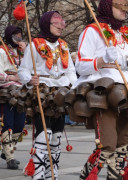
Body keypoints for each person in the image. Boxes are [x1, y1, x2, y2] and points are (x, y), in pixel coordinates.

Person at [72, 0, 128, 179]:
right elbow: (80, 65)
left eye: (126, 6)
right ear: (107, 6)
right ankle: (88, 174)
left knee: (123, 142)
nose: (124, 10)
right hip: (104, 92)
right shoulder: (91, 31)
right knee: (108, 143)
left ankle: (115, 176)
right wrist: (101, 60)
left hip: (126, 89)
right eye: (118, 6)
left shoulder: (124, 33)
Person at [18, 11, 77, 179]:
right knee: (45, 135)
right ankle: (38, 173)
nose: (60, 26)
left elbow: (71, 70)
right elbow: (23, 70)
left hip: (61, 92)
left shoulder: (64, 45)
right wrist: (30, 80)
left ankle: (53, 173)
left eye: (62, 23)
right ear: (46, 24)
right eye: (56, 23)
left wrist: (72, 84)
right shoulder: (35, 44)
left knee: (57, 137)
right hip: (43, 91)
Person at [0, 25, 26, 169]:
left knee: (19, 125)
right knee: (8, 124)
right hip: (6, 92)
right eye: (15, 34)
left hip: (21, 92)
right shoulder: (1, 51)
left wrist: (26, 51)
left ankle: (6, 150)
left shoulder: (21, 53)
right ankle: (10, 157)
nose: (18, 36)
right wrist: (12, 76)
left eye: (20, 34)